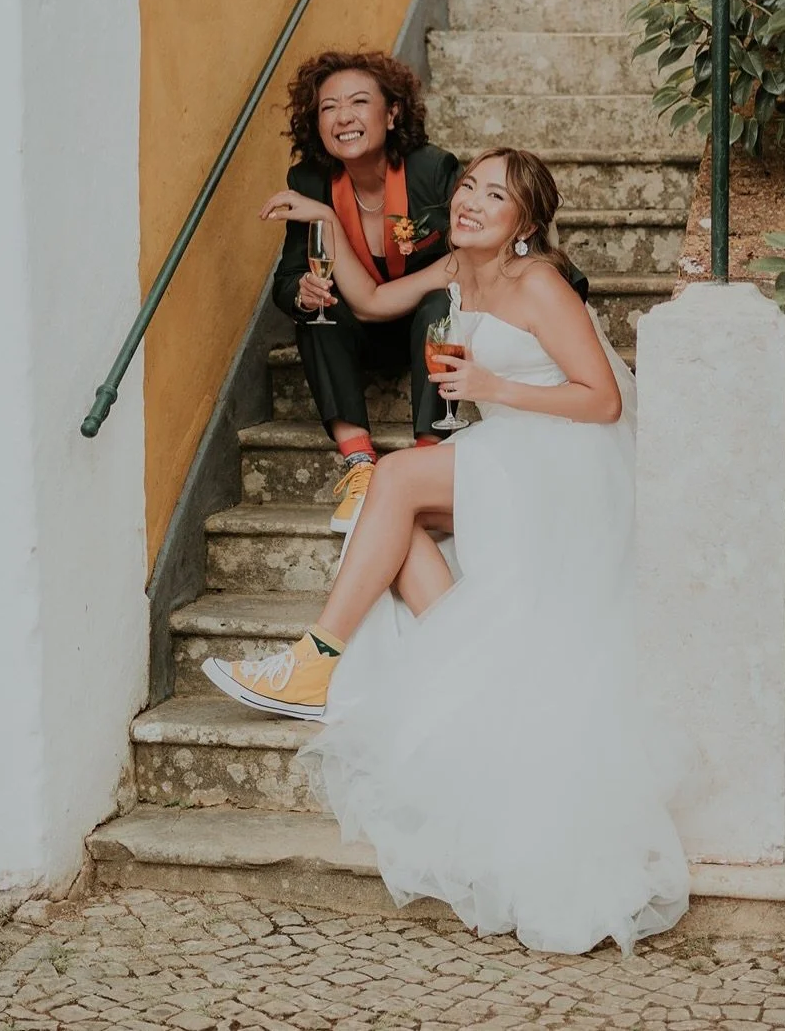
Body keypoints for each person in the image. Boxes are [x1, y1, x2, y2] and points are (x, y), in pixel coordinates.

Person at [206, 149, 690, 955]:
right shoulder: (453, 271)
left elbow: (601, 401)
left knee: (391, 482)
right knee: (385, 529)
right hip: (512, 449)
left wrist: (496, 390)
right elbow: (367, 296)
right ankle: (463, 648)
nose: (470, 200)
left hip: (563, 459)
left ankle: (315, 658)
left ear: (524, 222)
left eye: (494, 195)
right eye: (468, 185)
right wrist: (327, 223)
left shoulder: (538, 284)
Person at [272, 50, 462, 531]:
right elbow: (287, 278)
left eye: (359, 102)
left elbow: (469, 260)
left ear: (392, 113)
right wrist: (303, 290)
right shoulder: (310, 182)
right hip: (358, 333)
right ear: (316, 123)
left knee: (442, 302)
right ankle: (359, 462)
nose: (344, 117)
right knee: (317, 311)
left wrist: (395, 295)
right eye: (328, 107)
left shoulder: (431, 171)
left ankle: (427, 454)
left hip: (425, 329)